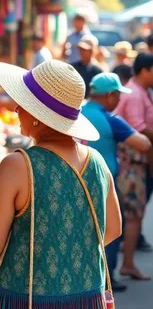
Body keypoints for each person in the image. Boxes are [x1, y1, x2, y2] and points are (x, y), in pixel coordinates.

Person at [0, 60, 121, 308]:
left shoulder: (18, 165)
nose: (16, 109)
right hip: (88, 298)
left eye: (23, 104)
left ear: (38, 116)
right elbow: (112, 230)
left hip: (26, 299)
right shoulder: (97, 162)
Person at [81, 73, 151, 291]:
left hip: (74, 180)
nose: (120, 100)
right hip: (103, 183)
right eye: (118, 95)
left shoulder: (77, 113)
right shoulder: (111, 121)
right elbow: (144, 144)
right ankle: (106, 278)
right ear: (110, 95)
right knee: (109, 229)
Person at [114, 53, 153, 279]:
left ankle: (126, 261)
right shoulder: (136, 94)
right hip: (133, 162)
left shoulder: (141, 92)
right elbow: (138, 127)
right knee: (133, 215)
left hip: (137, 161)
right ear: (144, 70)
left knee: (133, 213)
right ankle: (126, 263)